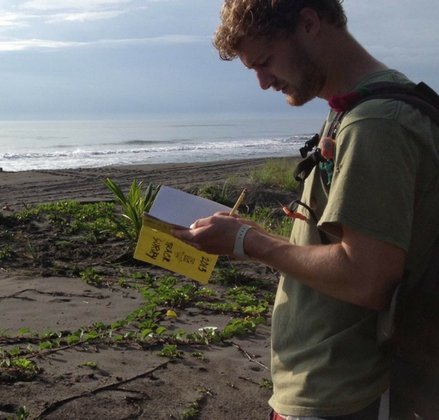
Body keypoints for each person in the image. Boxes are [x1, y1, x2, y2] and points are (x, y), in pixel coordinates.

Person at [171, 1, 439, 419]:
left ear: (309, 22)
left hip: (349, 393)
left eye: (264, 61)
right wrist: (252, 235)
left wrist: (249, 241)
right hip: (323, 387)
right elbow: (342, 248)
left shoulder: (376, 124)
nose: (262, 82)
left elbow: (366, 277)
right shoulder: (353, 108)